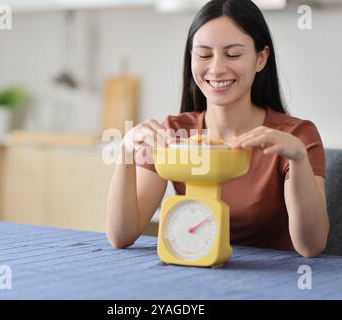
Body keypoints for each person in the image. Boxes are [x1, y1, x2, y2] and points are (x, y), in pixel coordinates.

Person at [106, 0, 329, 258]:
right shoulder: (173, 135)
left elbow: (311, 246)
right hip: (194, 276)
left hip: (272, 285)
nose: (217, 68)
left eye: (233, 54)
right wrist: (125, 151)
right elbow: (121, 235)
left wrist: (299, 158)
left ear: (261, 58)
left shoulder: (296, 138)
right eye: (204, 55)